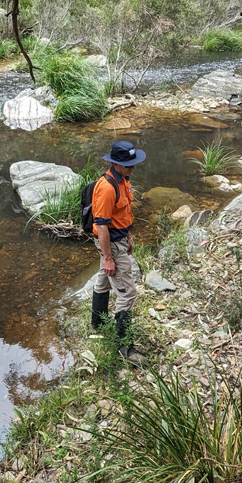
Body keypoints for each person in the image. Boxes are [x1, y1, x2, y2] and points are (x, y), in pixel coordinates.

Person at [91, 140, 146, 365]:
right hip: (110, 243)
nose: (133, 167)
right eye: (129, 164)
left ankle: (98, 323)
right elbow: (102, 225)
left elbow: (124, 214)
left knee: (103, 279)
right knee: (128, 293)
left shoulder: (123, 180)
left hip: (120, 240)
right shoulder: (106, 188)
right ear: (116, 163)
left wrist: (128, 239)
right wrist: (109, 257)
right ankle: (124, 346)